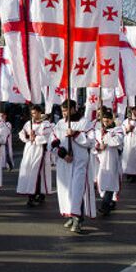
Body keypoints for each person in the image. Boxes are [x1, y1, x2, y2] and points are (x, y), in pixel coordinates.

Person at [50, 99, 95, 234]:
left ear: (74, 109)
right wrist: (62, 153)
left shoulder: (85, 122)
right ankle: (70, 215)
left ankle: (78, 220)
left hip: (79, 163)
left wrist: (75, 134)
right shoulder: (60, 123)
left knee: (77, 191)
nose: (64, 114)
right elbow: (52, 142)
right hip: (65, 163)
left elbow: (90, 141)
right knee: (66, 192)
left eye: (67, 110)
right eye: (63, 111)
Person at [16, 105, 53, 207]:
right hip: (29, 149)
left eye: (35, 113)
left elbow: (48, 136)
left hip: (40, 150)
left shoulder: (46, 124)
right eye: (32, 113)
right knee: (28, 172)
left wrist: (36, 137)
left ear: (40, 112)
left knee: (37, 173)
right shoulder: (29, 123)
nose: (34, 115)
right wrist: (28, 137)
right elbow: (21, 134)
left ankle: (36, 195)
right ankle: (32, 194)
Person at [93, 110, 124, 216]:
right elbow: (94, 142)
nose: (105, 123)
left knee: (110, 183)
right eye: (104, 121)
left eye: (107, 121)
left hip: (112, 160)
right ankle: (109, 202)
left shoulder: (117, 130)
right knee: (102, 182)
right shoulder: (99, 130)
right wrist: (98, 146)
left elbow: (118, 141)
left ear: (112, 120)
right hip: (101, 160)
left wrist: (106, 142)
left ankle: (105, 206)